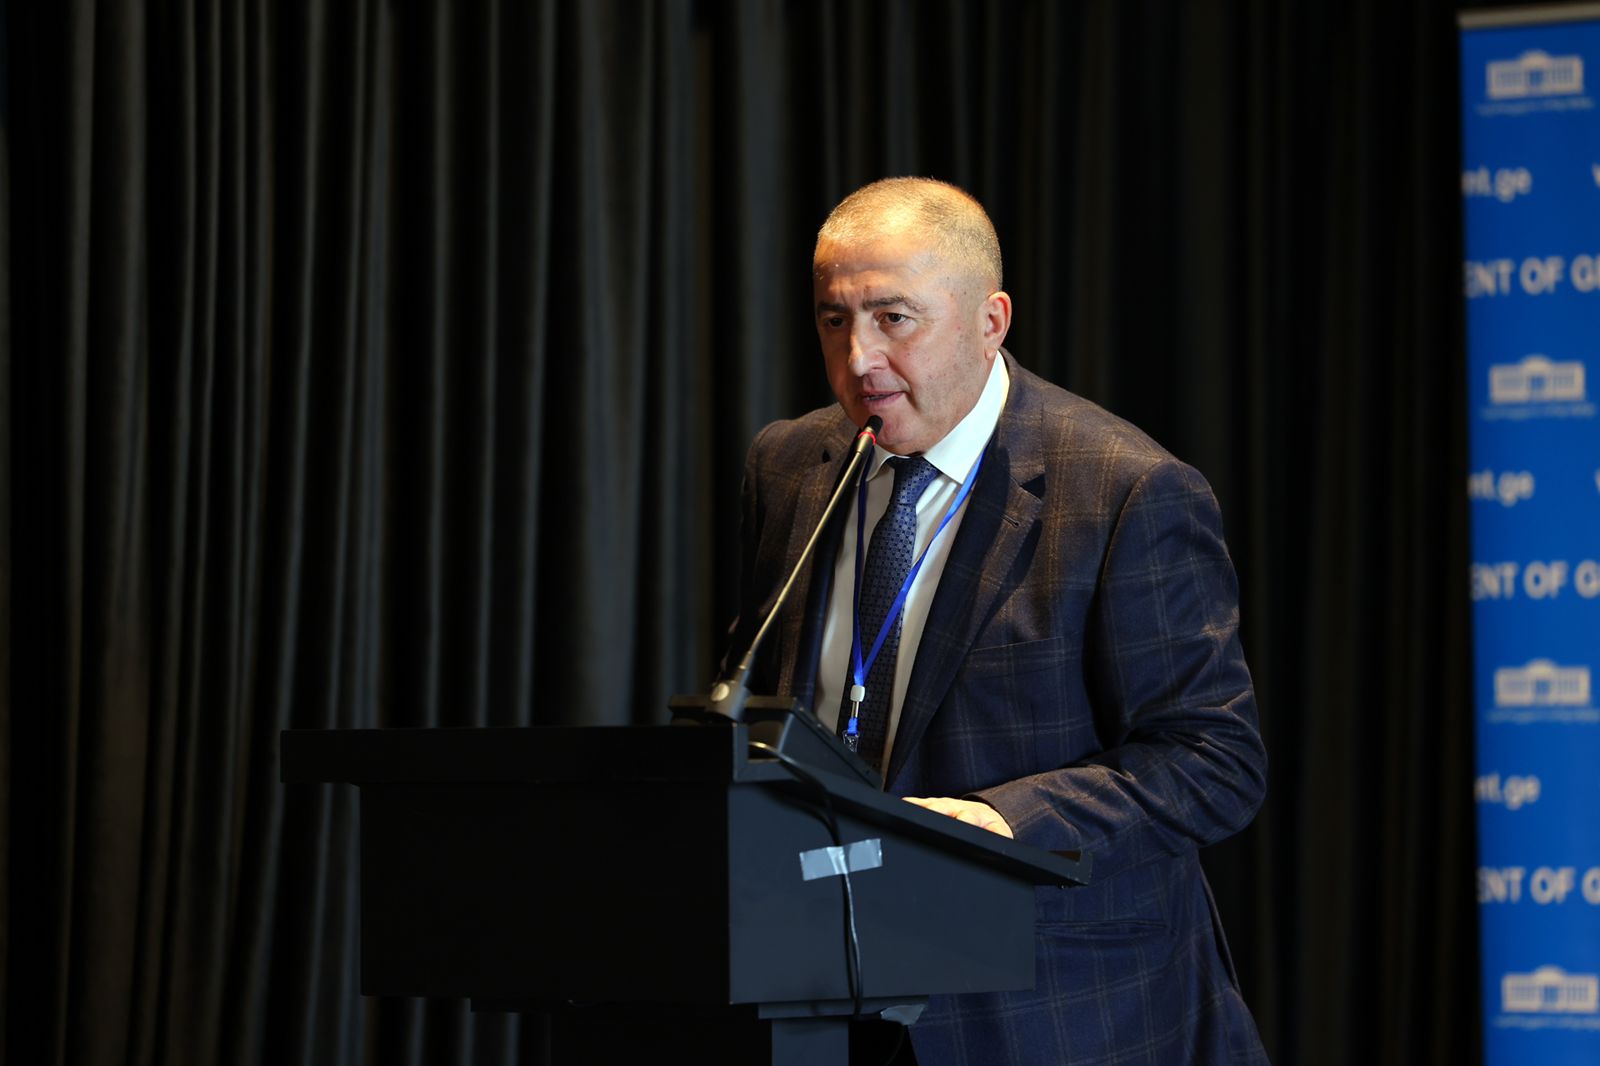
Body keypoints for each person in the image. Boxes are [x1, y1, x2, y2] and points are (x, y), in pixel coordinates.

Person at [727, 177, 1269, 1065]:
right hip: (818, 991)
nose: (859, 357)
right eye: (834, 320)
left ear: (991, 321)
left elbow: (1214, 760)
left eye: (894, 318)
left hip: (1049, 1011)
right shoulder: (790, 464)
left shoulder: (1124, 490)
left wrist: (1000, 822)